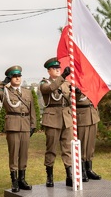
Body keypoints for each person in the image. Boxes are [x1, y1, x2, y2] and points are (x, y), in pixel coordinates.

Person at [0, 65, 36, 192]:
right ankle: (14, 181)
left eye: (19, 76)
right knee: (14, 153)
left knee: (24, 153)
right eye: (14, 76)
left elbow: (32, 110)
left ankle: (22, 179)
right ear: (10, 78)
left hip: (26, 125)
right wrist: (3, 83)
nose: (17, 78)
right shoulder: (5, 92)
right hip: (13, 125)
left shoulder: (27, 92)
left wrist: (33, 124)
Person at [40, 57, 73, 187]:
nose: (58, 70)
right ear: (49, 71)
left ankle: (69, 176)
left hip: (66, 118)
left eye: (59, 68)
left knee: (67, 148)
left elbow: (70, 98)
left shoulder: (67, 83)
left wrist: (77, 93)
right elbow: (50, 89)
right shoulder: (44, 83)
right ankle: (49, 176)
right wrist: (63, 76)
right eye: (55, 68)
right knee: (51, 149)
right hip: (52, 119)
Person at [76, 92, 102, 182]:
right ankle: (82, 170)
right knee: (82, 145)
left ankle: (89, 169)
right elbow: (72, 99)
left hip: (93, 115)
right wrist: (77, 91)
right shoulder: (74, 82)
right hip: (82, 116)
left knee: (91, 145)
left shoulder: (90, 84)